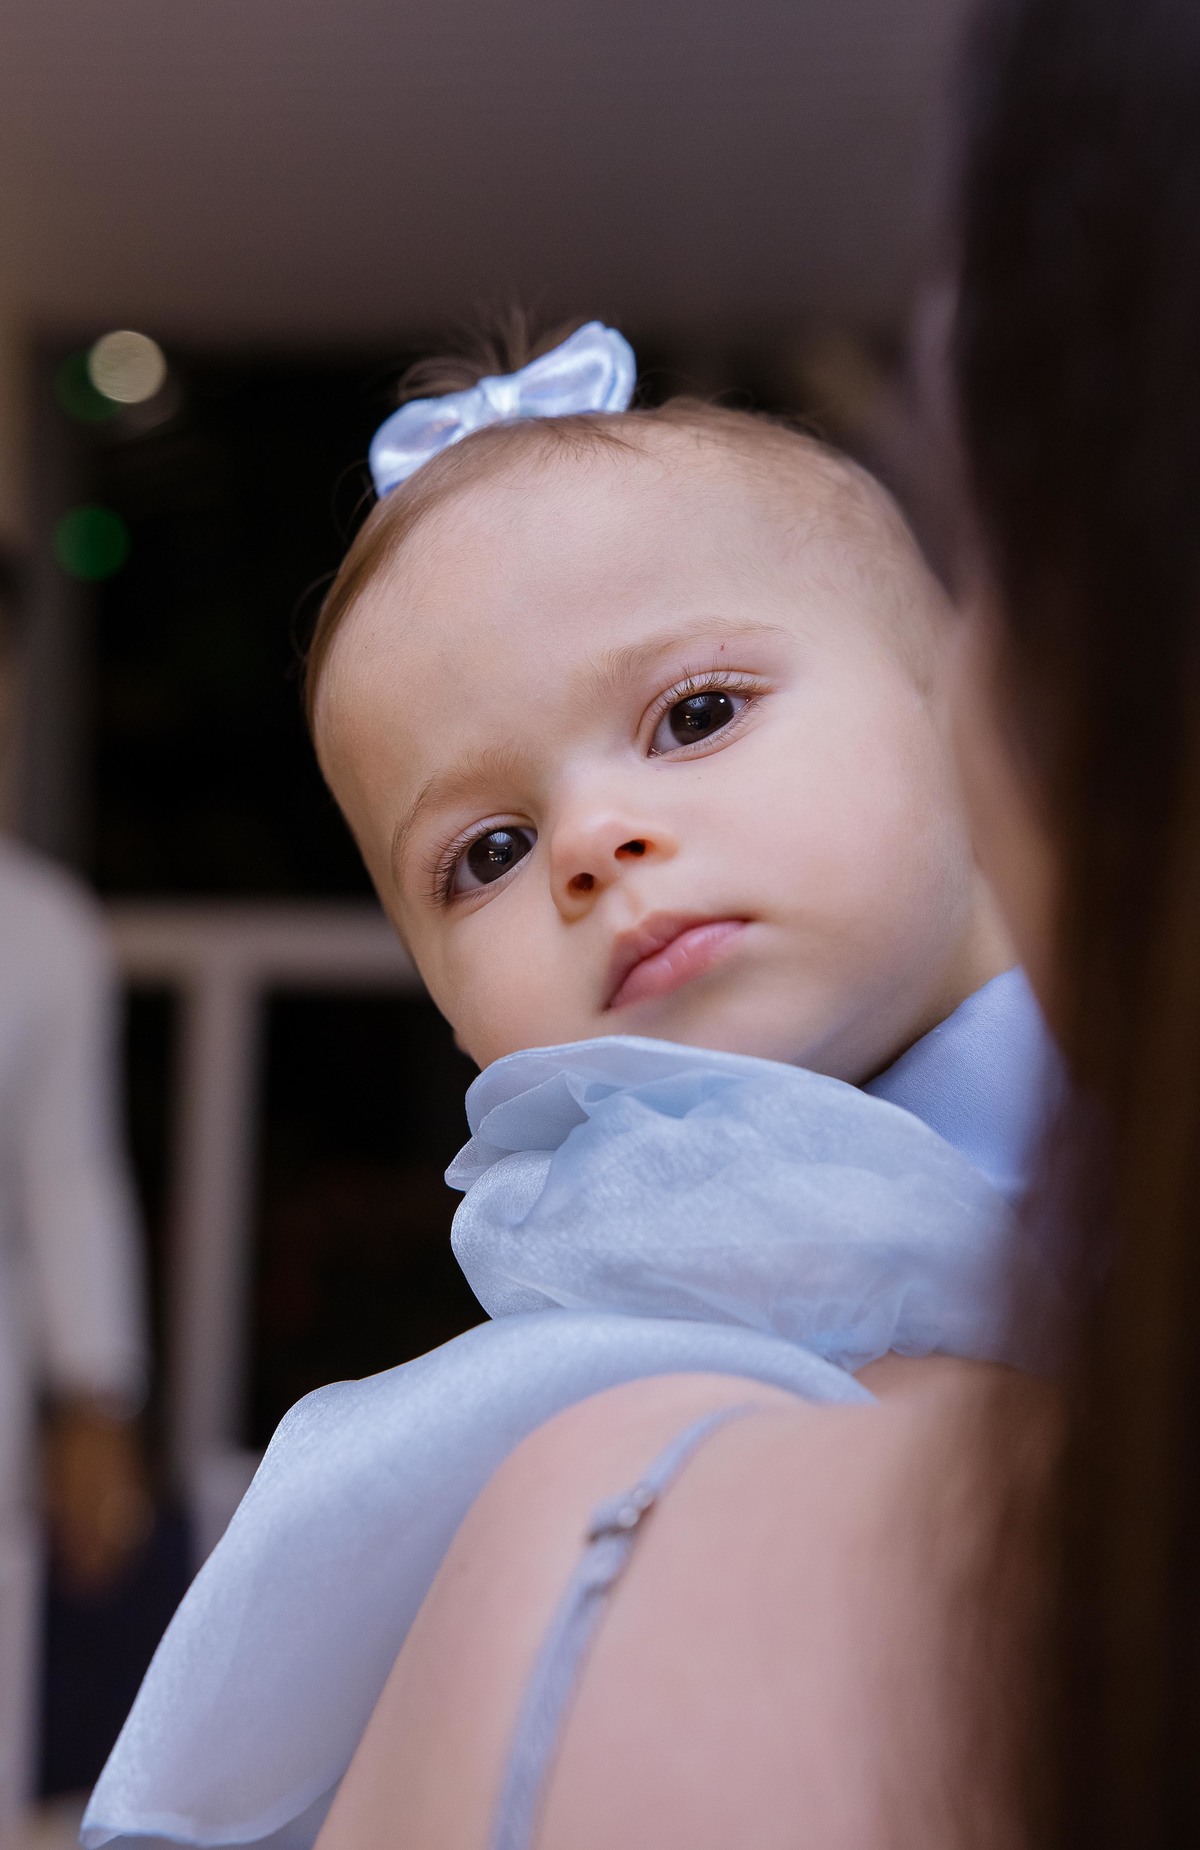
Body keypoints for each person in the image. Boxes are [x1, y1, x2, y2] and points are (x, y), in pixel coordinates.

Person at [83, 322, 1060, 1850]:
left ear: (966, 712)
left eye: (696, 714)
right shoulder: (612, 1242)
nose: (595, 841)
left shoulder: (1134, 1053)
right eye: (487, 853)